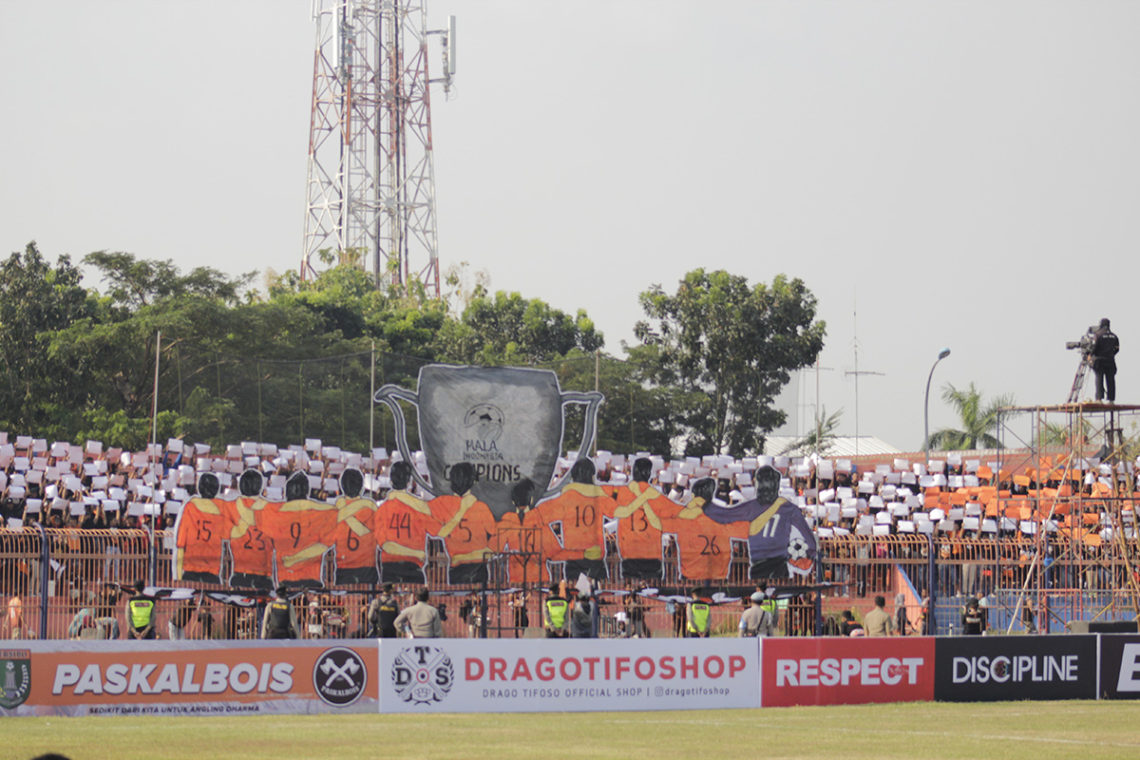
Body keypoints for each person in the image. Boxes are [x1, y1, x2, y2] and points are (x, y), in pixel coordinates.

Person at [1092, 318, 1120, 402]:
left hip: (1099, 360)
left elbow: (1094, 347)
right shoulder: (1114, 336)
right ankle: (1111, 400)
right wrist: (1111, 354)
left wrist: (1091, 355)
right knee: (1111, 380)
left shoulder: (1098, 335)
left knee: (1099, 378)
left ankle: (1099, 399)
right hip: (1110, 361)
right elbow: (1117, 349)